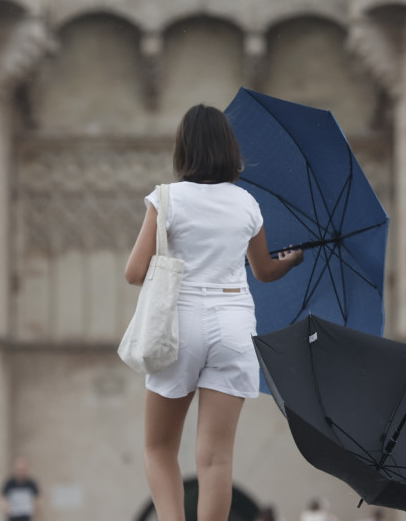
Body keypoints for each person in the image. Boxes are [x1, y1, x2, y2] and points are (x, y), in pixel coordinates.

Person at [126, 104, 304, 521]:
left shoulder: (166, 199)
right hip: (234, 324)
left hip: (180, 322)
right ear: (229, 149)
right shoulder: (246, 204)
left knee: (159, 448)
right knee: (217, 459)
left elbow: (134, 272)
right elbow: (263, 271)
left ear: (183, 148)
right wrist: (291, 260)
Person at [0, 456, 41, 521]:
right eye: (19, 470)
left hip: (26, 516)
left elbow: (37, 499)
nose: (21, 472)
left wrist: (36, 511)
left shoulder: (31, 483)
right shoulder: (9, 483)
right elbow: (2, 496)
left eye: (23, 470)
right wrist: (6, 507)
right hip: (13, 516)